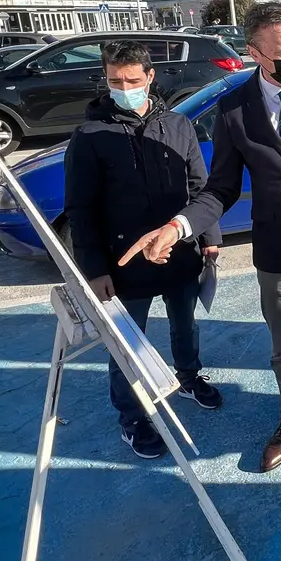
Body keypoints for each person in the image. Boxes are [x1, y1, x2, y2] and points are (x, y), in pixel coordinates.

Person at [119, 3, 281, 472]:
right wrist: (178, 227)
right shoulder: (234, 110)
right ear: (254, 53)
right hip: (280, 248)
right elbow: (218, 189)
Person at [63, 40, 224, 460]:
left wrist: (210, 239)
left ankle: (188, 376)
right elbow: (80, 209)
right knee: (127, 346)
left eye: (132, 80)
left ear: (150, 77)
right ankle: (132, 416)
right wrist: (94, 268)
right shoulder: (90, 136)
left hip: (180, 252)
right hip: (123, 265)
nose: (123, 87)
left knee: (185, 324)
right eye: (115, 80)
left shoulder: (178, 125)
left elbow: (200, 188)